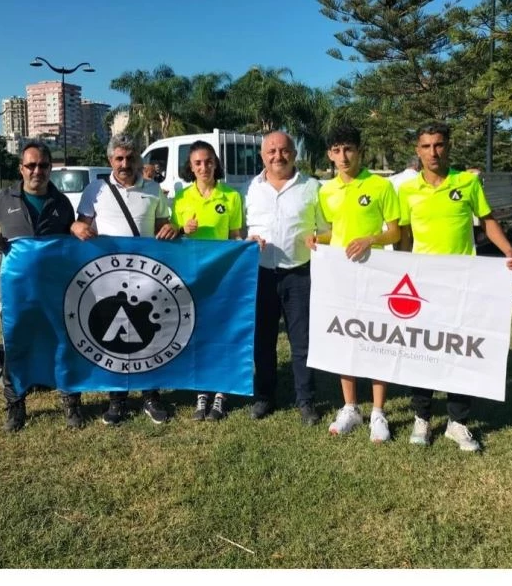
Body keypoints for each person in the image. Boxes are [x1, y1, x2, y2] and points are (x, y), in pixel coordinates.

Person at [397, 123, 512, 452]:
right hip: (423, 284)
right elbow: (404, 237)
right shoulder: (407, 190)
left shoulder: (467, 182)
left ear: (448, 146)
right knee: (421, 351)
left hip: (462, 282)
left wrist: (508, 251)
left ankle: (457, 422)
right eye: (426, 146)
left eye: (438, 145)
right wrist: (400, 271)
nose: (433, 152)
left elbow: (488, 220)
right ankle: (422, 419)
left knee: (459, 349)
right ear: (417, 150)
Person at [0, 141, 81, 432]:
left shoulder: (62, 203)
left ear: (51, 168)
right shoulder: (4, 198)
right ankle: (15, 407)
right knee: (17, 345)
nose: (37, 171)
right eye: (31, 165)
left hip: (55, 292)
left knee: (62, 344)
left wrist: (74, 228)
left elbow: (71, 239)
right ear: (21, 169)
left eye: (43, 165)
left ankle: (71, 402)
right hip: (17, 293)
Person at [71, 134, 178, 426]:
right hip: (108, 279)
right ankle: (116, 399)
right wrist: (77, 227)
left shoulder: (154, 190)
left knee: (149, 335)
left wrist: (171, 228)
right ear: (110, 161)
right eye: (119, 158)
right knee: (112, 338)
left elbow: (162, 228)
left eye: (130, 158)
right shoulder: (95, 190)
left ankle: (150, 396)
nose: (124, 164)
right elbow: (82, 224)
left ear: (139, 160)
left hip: (146, 277)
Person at [312, 123, 401, 442]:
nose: (343, 156)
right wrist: (316, 239)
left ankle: (378, 411)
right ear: (329, 155)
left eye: (348, 149)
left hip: (374, 272)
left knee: (377, 338)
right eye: (336, 150)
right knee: (346, 336)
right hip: (340, 276)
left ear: (360, 150)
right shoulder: (326, 191)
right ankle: (350, 406)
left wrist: (370, 239)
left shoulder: (380, 186)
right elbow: (332, 231)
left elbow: (395, 232)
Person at [245, 131, 327, 426]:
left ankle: (305, 399)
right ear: (262, 156)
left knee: (302, 340)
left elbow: (326, 228)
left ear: (294, 153)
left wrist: (320, 238)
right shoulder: (251, 188)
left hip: (300, 274)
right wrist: (249, 239)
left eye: (283, 150)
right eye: (271, 151)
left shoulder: (313, 187)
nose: (277, 156)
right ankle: (264, 396)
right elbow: (243, 231)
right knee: (262, 340)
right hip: (261, 274)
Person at [171, 140, 243, 421]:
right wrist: (181, 229)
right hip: (193, 276)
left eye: (208, 161)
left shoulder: (231, 196)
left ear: (216, 163)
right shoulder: (181, 199)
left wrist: (246, 249)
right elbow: (173, 237)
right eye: (198, 163)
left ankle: (221, 395)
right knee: (198, 334)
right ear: (190, 167)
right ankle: (202, 394)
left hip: (223, 276)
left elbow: (236, 237)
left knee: (222, 334)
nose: (204, 167)